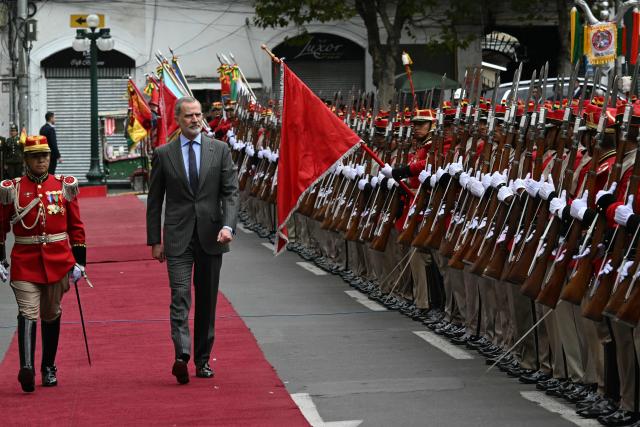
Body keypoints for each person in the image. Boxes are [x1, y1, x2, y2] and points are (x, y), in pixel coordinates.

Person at [146, 96, 239, 384]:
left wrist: (228, 226)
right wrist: (155, 240)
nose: (196, 120)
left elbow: (231, 193)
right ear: (178, 119)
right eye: (189, 116)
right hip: (177, 238)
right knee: (180, 296)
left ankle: (202, 360)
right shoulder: (163, 154)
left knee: (207, 301)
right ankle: (182, 355)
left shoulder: (220, 150)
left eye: (199, 115)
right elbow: (154, 200)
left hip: (212, 236)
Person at [0, 135, 85, 393]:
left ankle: (48, 366)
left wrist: (80, 262)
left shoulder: (63, 185)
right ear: (26, 160)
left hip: (58, 261)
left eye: (45, 156)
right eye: (36, 156)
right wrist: (0, 258)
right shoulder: (12, 188)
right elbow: (1, 227)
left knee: (51, 314)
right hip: (25, 262)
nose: (41, 160)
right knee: (27, 312)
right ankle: (26, 367)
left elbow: (76, 227)